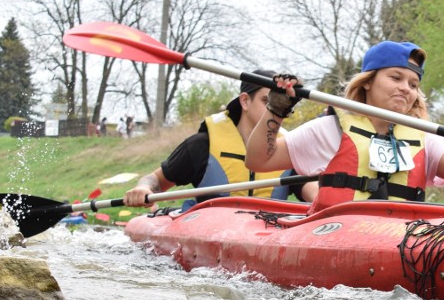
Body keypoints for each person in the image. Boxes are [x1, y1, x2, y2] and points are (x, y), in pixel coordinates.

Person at [245, 41, 444, 214]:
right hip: (334, 235)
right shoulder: (331, 129)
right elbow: (260, 159)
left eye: (413, 84)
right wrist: (276, 110)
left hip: (399, 240)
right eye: (395, 78)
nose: (406, 89)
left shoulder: (425, 139)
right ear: (367, 81)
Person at [124, 69, 318, 210]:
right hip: (209, 234)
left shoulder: (287, 149)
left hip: (265, 235)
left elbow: (316, 195)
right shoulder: (202, 144)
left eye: (279, 103)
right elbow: (156, 180)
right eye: (267, 101)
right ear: (245, 101)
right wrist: (143, 187)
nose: (273, 108)